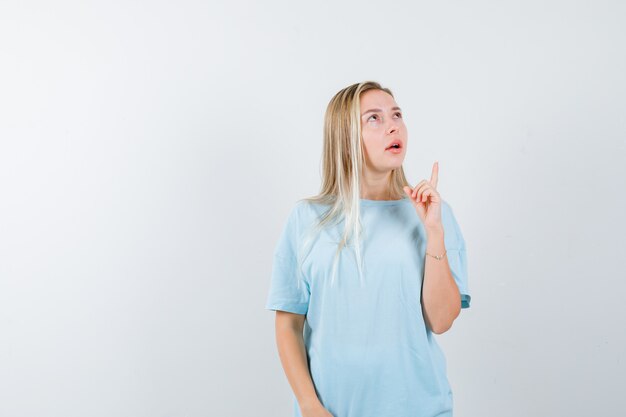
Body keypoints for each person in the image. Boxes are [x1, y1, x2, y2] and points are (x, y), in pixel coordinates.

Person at [265, 81, 472, 417]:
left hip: (418, 407)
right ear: (345, 139)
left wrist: (433, 232)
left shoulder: (434, 214)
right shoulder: (306, 219)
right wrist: (308, 404)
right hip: (331, 411)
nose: (393, 125)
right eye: (373, 118)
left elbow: (442, 319)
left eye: (397, 114)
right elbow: (288, 322)